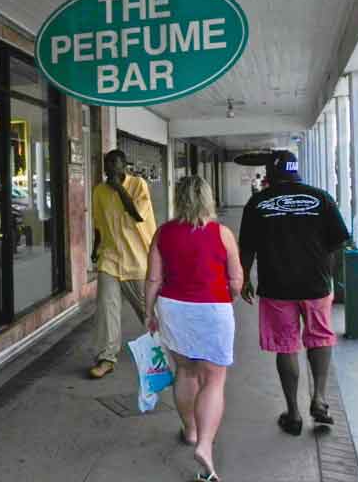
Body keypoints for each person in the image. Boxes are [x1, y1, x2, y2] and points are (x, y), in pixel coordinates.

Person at [239, 150, 349, 436]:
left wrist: (244, 279)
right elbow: (338, 243)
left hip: (277, 286)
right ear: (295, 170)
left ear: (271, 173)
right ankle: (320, 398)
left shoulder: (258, 202)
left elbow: (247, 247)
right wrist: (330, 279)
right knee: (321, 336)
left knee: (286, 346)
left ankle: (294, 413)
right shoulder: (321, 197)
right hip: (316, 284)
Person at [145, 176, 242, 482]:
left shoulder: (163, 233)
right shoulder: (222, 234)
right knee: (214, 379)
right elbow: (236, 279)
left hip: (174, 309)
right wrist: (228, 299)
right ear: (208, 199)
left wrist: (149, 311)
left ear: (179, 199)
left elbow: (153, 279)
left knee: (185, 372)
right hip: (213, 308)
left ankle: (190, 430)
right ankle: (204, 445)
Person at [89, 149, 157, 378]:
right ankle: (106, 357)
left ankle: (164, 348)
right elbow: (99, 224)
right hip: (109, 258)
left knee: (147, 310)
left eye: (114, 164)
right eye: (106, 164)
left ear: (124, 166)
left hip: (136, 259)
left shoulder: (138, 185)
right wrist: (94, 249)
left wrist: (118, 188)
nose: (109, 169)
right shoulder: (98, 191)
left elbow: (138, 214)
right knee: (107, 309)